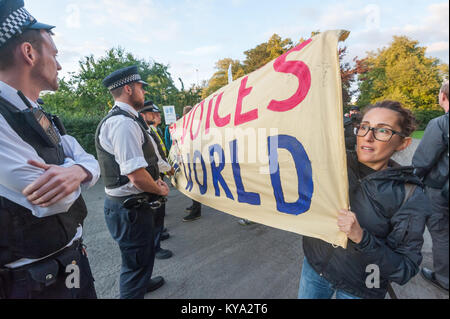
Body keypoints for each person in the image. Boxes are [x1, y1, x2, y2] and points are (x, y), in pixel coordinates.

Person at [0, 0, 100, 299]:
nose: (59, 64)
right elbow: (54, 199)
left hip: (68, 263)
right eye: (54, 54)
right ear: (29, 53)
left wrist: (77, 170)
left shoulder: (36, 112)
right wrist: (79, 170)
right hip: (31, 283)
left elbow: (85, 159)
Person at [299, 100, 429, 299]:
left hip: (362, 287)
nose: (368, 137)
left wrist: (361, 237)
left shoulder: (408, 194)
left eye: (383, 131)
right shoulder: (336, 163)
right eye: (364, 127)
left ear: (403, 143)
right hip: (315, 268)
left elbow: (405, 269)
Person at [95, 65, 170, 299]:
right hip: (129, 208)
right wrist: (159, 189)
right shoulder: (123, 124)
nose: (143, 92)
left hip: (133, 207)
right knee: (134, 265)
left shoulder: (129, 119)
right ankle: (136, 287)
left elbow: (148, 160)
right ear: (128, 89)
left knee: (140, 256)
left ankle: (142, 282)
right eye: (140, 87)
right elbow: (136, 175)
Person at [412, 80, 449, 292]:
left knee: (442, 234)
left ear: (443, 96)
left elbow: (423, 161)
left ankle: (444, 279)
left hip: (440, 190)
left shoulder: (440, 123)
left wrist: (412, 181)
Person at [140, 101, 174, 260]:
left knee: (157, 214)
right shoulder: (144, 132)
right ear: (143, 115)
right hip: (152, 177)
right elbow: (154, 159)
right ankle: (156, 246)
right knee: (154, 214)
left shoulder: (148, 130)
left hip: (156, 175)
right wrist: (169, 170)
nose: (156, 116)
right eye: (152, 114)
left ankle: (158, 236)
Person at [181, 105, 202, 222]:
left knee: (195, 185)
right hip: (190, 159)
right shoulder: (189, 126)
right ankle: (194, 206)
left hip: (194, 160)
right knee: (192, 184)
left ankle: (196, 211)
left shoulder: (194, 126)